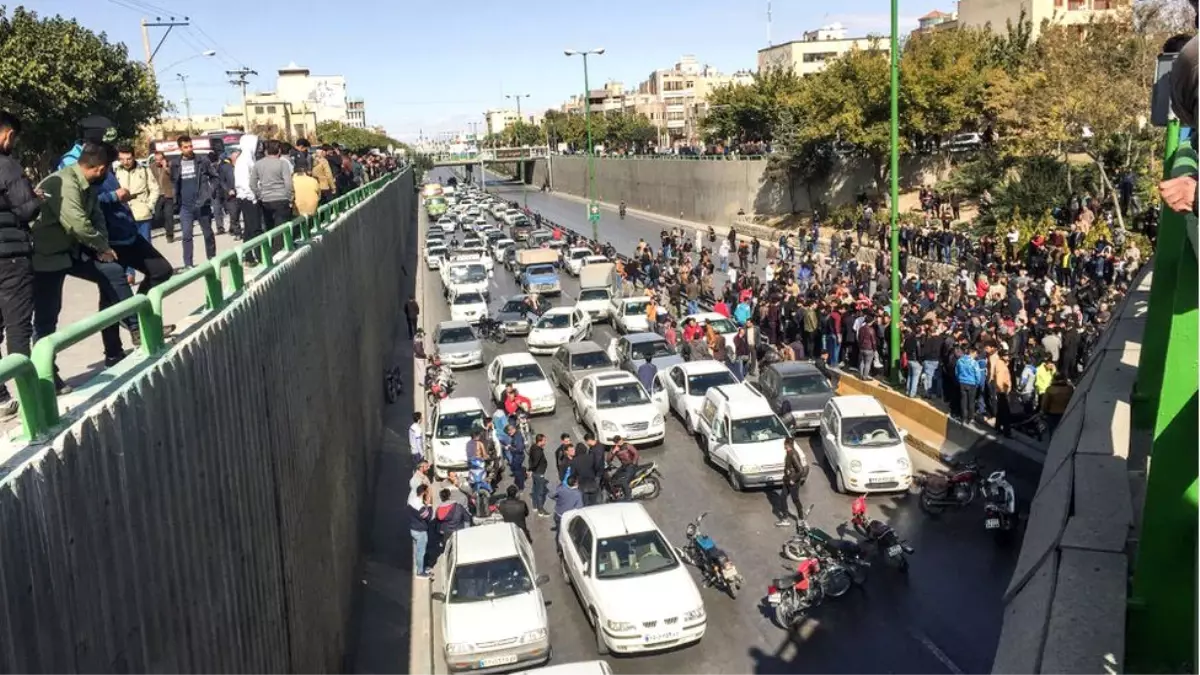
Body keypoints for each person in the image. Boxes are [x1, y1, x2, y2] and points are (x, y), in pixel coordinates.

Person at [33, 142, 133, 372]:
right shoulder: (66, 183)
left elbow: (96, 217)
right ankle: (46, 374)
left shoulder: (87, 184)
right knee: (47, 317)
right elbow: (77, 223)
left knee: (114, 272)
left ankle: (136, 325)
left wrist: (103, 247)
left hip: (71, 251)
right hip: (46, 256)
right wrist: (100, 246)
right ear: (100, 169)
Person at [0, 110, 38, 415]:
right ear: (7, 134)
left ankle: (0, 397)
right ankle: (28, 400)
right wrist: (37, 197)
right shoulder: (7, 165)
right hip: (10, 258)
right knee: (17, 326)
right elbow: (26, 210)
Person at [108, 146, 174, 299]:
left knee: (144, 247)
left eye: (129, 158)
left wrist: (149, 205)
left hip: (141, 213)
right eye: (122, 159)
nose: (126, 162)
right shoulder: (115, 172)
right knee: (126, 248)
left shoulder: (143, 170)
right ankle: (129, 274)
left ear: (134, 157)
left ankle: (140, 292)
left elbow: (155, 189)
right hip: (124, 216)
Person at [171, 135, 219, 269]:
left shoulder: (202, 161)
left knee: (208, 233)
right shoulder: (175, 164)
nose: (189, 149)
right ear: (180, 148)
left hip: (202, 203)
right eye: (185, 147)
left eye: (191, 146)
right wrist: (175, 200)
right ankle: (188, 263)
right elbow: (174, 182)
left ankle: (212, 258)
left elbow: (215, 177)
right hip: (185, 207)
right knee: (186, 235)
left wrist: (211, 191)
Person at [252, 140, 294, 234]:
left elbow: (252, 184)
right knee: (281, 228)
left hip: (266, 199)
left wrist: (260, 195)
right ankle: (279, 247)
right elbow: (288, 183)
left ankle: (270, 246)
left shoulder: (258, 164)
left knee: (269, 227)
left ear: (266, 151)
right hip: (281, 198)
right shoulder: (282, 164)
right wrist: (290, 197)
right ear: (279, 150)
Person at [232, 135, 261, 263]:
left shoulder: (250, 158)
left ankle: (248, 255)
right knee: (255, 228)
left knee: (249, 229)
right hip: (247, 198)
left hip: (252, 196)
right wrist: (252, 196)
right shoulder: (243, 160)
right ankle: (260, 255)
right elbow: (243, 182)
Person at [776, 437, 808, 526]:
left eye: (784, 444)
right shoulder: (789, 453)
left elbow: (801, 470)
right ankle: (785, 519)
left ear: (787, 445)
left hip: (792, 481)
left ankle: (801, 518)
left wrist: (793, 480)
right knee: (782, 498)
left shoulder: (793, 455)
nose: (784, 446)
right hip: (787, 480)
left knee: (795, 499)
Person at [570, 432, 604, 506]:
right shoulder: (590, 457)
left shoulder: (574, 461)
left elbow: (573, 474)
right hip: (592, 482)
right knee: (594, 502)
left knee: (585, 504)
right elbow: (595, 466)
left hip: (582, 485)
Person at [409, 484, 433, 578]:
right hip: (420, 531)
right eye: (427, 492)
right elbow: (428, 517)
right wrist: (429, 504)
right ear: (423, 493)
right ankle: (420, 572)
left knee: (417, 550)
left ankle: (419, 566)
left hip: (413, 528)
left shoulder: (412, 501)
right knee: (421, 552)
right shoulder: (420, 506)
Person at [150, 151, 176, 242]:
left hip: (168, 194)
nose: (158, 161)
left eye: (160, 159)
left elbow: (173, 176)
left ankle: (170, 234)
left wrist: (165, 167)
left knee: (169, 215)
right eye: (156, 160)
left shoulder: (169, 166)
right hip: (157, 195)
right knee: (158, 216)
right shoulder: (151, 167)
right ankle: (167, 227)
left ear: (163, 159)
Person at [606, 436, 639, 501]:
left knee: (624, 481)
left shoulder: (627, 446)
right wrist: (613, 452)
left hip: (631, 465)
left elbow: (636, 453)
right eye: (617, 442)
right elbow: (608, 459)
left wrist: (633, 463)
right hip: (624, 466)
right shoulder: (615, 449)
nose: (619, 443)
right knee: (614, 478)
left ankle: (628, 497)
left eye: (619, 441)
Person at [528, 433, 550, 516]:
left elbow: (530, 459)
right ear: (540, 441)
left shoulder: (533, 447)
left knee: (535, 490)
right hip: (539, 473)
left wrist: (530, 470)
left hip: (535, 473)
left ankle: (535, 506)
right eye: (544, 440)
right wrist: (530, 469)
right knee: (540, 492)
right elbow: (535, 463)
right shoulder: (538, 451)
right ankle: (541, 510)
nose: (545, 442)